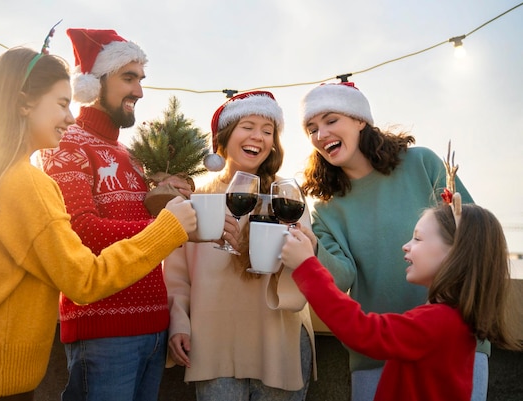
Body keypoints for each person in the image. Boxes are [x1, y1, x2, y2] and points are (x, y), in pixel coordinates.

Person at [0, 43, 197, 401]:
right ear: (24, 103)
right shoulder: (26, 182)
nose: (70, 117)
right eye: (61, 104)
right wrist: (168, 228)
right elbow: (84, 280)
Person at [298, 81, 490, 401]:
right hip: (375, 354)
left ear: (360, 119)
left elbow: (472, 238)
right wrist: (312, 249)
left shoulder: (422, 164)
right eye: (311, 128)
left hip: (454, 340)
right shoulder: (327, 209)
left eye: (331, 120)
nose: (321, 135)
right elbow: (341, 277)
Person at [39, 28, 193, 401]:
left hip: (155, 329)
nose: (138, 91)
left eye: (140, 79)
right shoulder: (65, 144)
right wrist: (170, 226)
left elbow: (144, 229)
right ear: (93, 83)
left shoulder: (128, 154)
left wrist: (166, 196)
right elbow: (80, 232)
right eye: (128, 78)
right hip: (103, 333)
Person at [281, 197, 523, 401]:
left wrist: (307, 266)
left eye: (417, 239)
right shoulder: (457, 319)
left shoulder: (437, 322)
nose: (406, 246)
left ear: (455, 253)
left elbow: (361, 331)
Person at [164, 91, 315, 401]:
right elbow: (175, 276)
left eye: (267, 130)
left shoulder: (287, 197)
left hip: (278, 342)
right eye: (248, 126)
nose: (258, 137)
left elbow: (305, 269)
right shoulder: (196, 199)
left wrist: (289, 245)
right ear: (224, 137)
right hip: (212, 344)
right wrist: (178, 322)